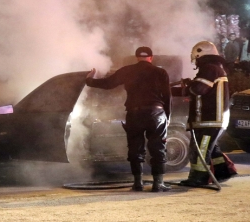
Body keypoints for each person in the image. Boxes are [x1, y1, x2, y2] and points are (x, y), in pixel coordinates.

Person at [85, 46, 172, 192]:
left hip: (134, 113)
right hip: (156, 113)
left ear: (137, 57)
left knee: (135, 148)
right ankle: (158, 184)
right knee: (158, 148)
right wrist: (167, 116)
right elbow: (168, 96)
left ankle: (137, 183)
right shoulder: (161, 72)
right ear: (151, 57)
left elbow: (107, 84)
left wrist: (89, 80)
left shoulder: (127, 70)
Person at [179, 41, 237, 187]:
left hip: (209, 119)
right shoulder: (215, 68)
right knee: (211, 149)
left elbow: (199, 89)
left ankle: (199, 178)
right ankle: (222, 172)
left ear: (201, 55)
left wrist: (188, 85)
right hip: (212, 119)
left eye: (197, 58)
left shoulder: (210, 69)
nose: (196, 62)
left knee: (200, 149)